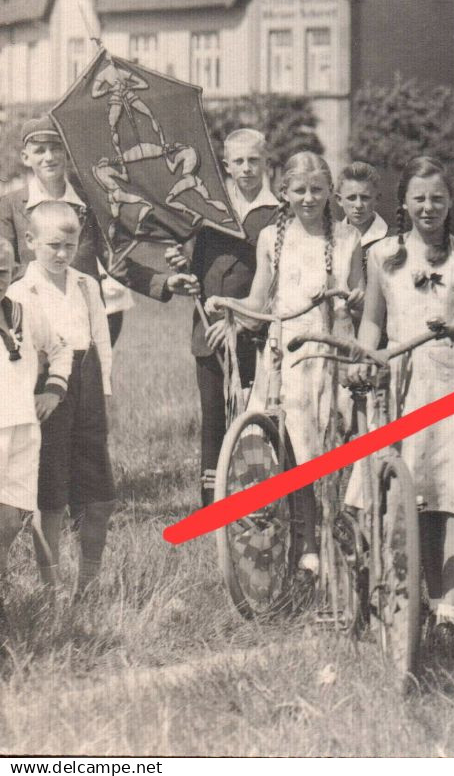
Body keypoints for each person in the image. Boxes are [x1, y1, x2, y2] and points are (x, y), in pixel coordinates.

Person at [349, 156, 454, 628]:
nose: (428, 207)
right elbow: (373, 321)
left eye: (437, 199)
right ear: (403, 202)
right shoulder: (382, 255)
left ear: (450, 203)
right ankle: (419, 591)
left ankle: (450, 605)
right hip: (404, 380)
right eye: (419, 198)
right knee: (413, 486)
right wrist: (367, 357)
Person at [208, 152, 362, 468]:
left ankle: (316, 508)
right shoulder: (271, 238)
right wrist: (231, 311)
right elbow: (258, 301)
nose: (308, 199)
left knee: (317, 444)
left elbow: (360, 297)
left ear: (330, 191)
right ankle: (270, 510)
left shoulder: (348, 237)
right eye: (300, 191)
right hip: (282, 356)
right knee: (265, 440)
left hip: (327, 355)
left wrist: (352, 298)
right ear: (285, 193)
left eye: (317, 190)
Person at [5, 203, 117, 594]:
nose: (62, 254)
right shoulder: (20, 290)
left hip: (87, 387)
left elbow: (102, 342)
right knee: (50, 495)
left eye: (70, 245)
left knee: (98, 494)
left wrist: (104, 395)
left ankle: (89, 584)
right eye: (53, 245)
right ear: (30, 241)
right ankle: (50, 585)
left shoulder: (86, 285)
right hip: (45, 393)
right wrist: (42, 393)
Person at [0, 118, 187, 346]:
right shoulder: (9, 205)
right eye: (39, 150)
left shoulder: (89, 200)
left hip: (83, 315)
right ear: (26, 157)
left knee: (90, 379)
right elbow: (6, 265)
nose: (48, 157)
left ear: (67, 151)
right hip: (33, 319)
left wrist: (164, 283)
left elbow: (114, 260)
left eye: (56, 148)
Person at [172, 129, 281, 508]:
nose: (247, 169)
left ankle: (255, 497)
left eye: (254, 160)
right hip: (209, 331)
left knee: (254, 413)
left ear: (266, 162)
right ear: (226, 166)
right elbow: (198, 262)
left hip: (254, 331)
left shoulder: (278, 213)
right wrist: (184, 270)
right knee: (214, 416)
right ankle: (212, 504)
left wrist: (243, 319)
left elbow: (274, 282)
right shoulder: (211, 209)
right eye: (239, 161)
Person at [0, 238, 73, 605]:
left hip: (25, 426)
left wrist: (53, 391)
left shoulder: (24, 307)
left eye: (3, 269)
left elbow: (60, 348)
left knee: (12, 521)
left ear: (13, 270)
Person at [336, 161, 390, 252]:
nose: (358, 205)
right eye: (351, 198)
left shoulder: (394, 239)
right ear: (339, 200)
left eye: (365, 198)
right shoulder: (331, 240)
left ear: (377, 199)